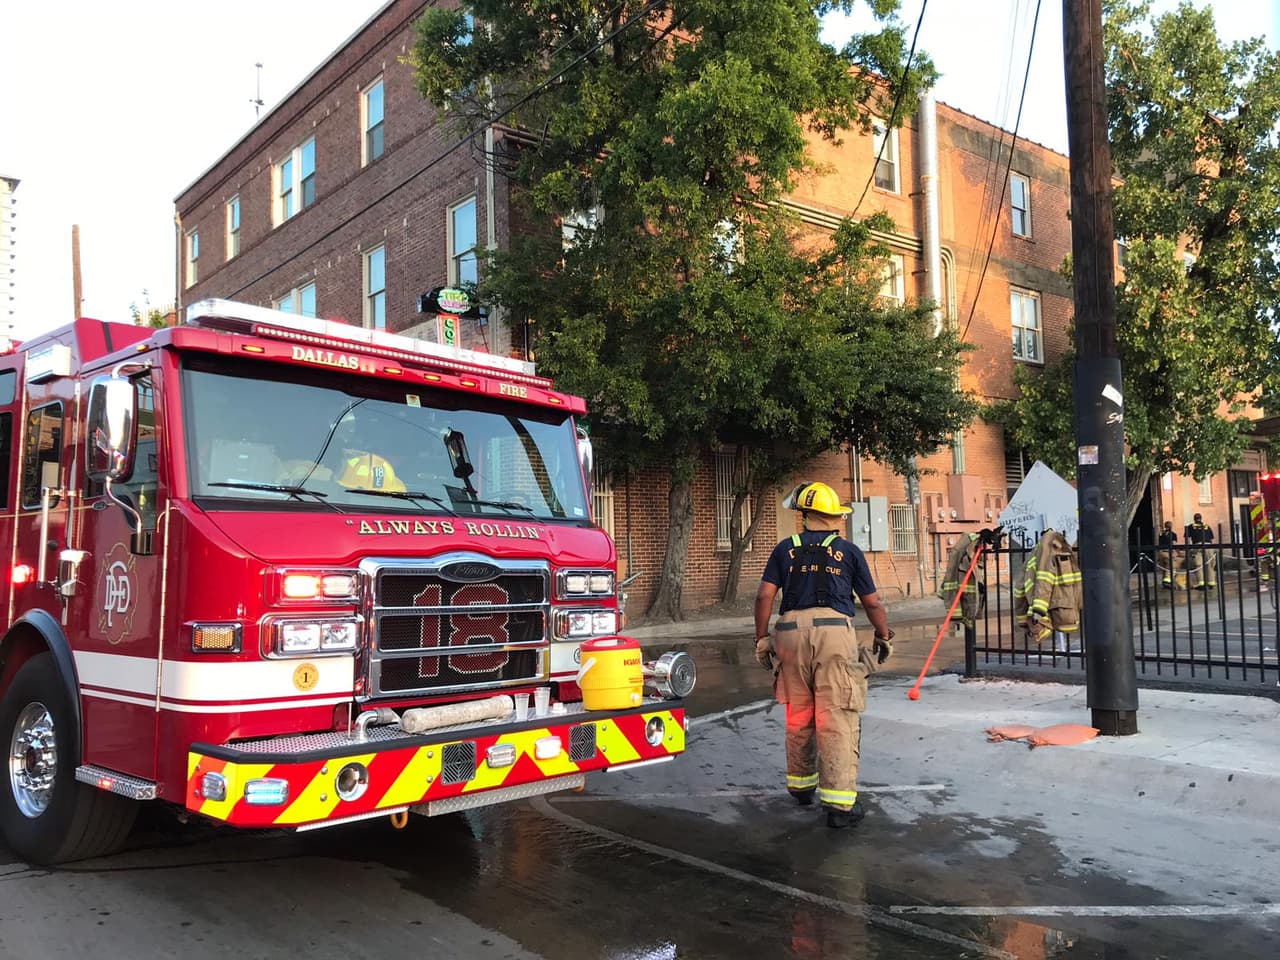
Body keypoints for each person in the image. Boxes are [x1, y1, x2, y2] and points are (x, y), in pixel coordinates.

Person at [753, 481, 893, 830]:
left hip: (788, 633)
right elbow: (872, 602)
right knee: (836, 717)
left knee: (799, 713)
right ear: (833, 517)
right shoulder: (849, 551)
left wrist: (760, 639)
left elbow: (763, 597)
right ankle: (839, 807)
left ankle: (801, 788)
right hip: (834, 633)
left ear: (803, 516)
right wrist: (883, 635)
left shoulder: (785, 548)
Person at [1184, 513, 1217, 589]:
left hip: (1197, 545)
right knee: (1210, 564)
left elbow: (1187, 539)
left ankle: (1201, 583)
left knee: (1198, 565)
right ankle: (1211, 582)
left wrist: (1189, 549)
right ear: (1201, 518)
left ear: (1194, 519)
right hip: (1208, 546)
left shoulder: (1190, 526)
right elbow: (1211, 539)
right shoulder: (1207, 526)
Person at [1158, 521, 1178, 587]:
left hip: (1161, 552)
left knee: (1165, 567)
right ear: (1171, 526)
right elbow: (1174, 544)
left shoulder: (1161, 534)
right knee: (1172, 566)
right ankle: (1168, 581)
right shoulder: (1173, 534)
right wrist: (1178, 552)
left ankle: (1164, 581)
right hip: (1169, 552)